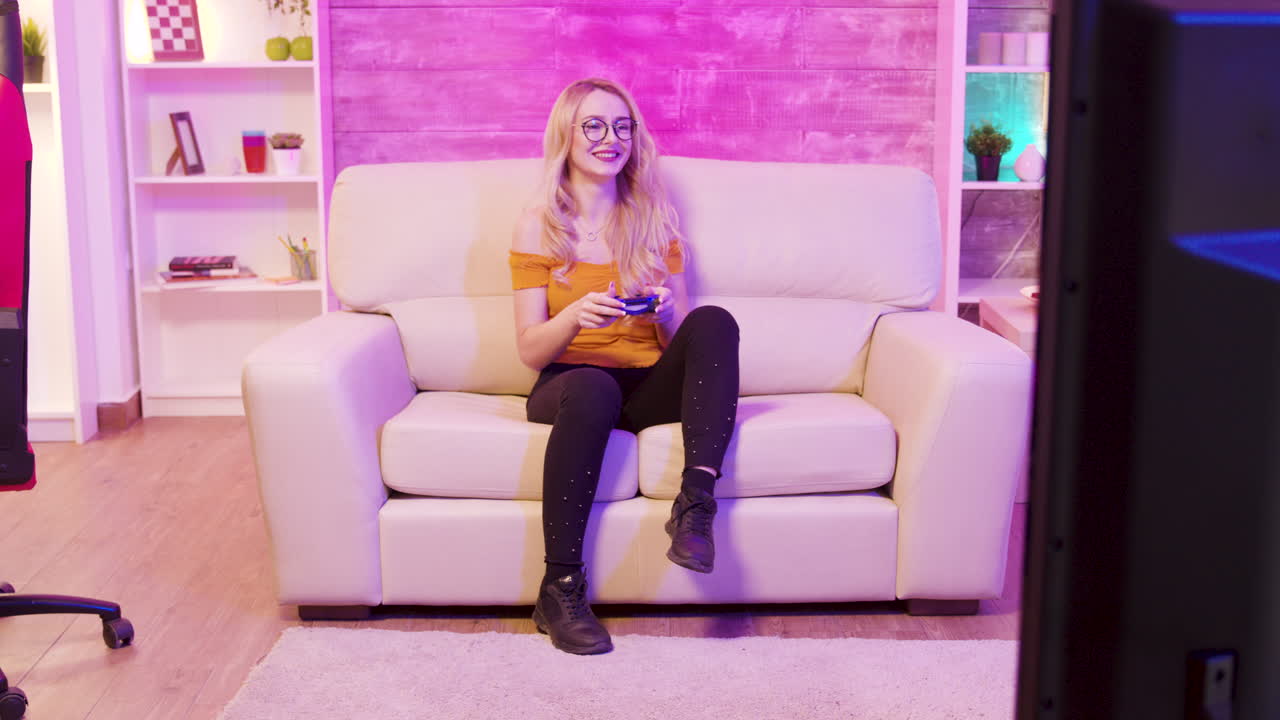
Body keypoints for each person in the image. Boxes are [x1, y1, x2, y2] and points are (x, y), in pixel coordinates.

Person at [509, 78, 740, 655]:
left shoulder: (655, 219)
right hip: (568, 383)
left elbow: (680, 333)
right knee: (590, 385)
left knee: (713, 321)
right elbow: (530, 350)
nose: (609, 139)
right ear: (566, 133)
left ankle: (694, 508)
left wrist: (667, 311)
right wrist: (574, 318)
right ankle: (559, 587)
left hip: (642, 385)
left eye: (621, 126)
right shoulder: (539, 225)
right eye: (593, 125)